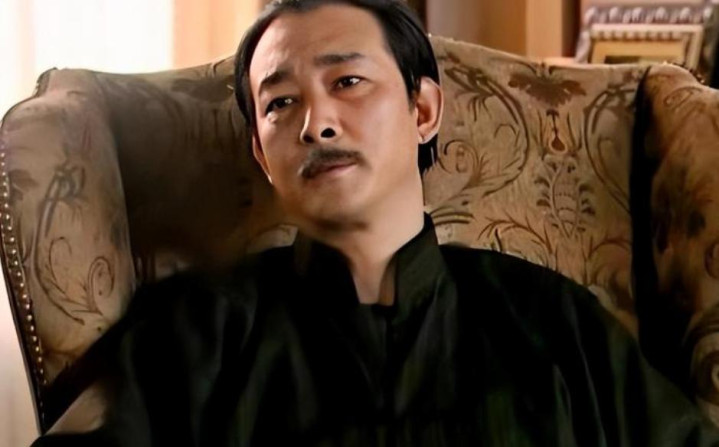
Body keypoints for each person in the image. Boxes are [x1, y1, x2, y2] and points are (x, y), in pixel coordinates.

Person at [31, 0, 719, 445]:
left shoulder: (551, 322)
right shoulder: (192, 333)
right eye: (279, 103)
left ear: (423, 110)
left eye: (347, 82)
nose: (316, 122)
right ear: (261, 156)